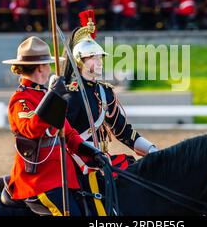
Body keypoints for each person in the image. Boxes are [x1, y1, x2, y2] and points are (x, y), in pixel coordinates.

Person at [2, 36, 108, 216]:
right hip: (39, 181)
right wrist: (52, 97)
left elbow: (68, 133)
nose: (50, 68)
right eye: (48, 64)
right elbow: (31, 129)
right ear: (41, 67)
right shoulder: (21, 99)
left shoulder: (44, 93)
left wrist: (92, 152)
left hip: (63, 177)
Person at [62, 10, 158, 158]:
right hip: (77, 163)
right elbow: (63, 137)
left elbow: (122, 130)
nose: (100, 62)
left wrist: (151, 150)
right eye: (93, 58)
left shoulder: (104, 92)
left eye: (100, 57)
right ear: (80, 61)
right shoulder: (71, 94)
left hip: (101, 158)